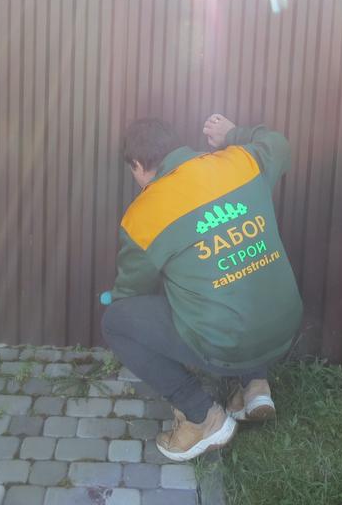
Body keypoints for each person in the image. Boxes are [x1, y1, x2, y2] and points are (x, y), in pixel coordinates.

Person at [101, 113, 303, 461]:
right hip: (284, 327)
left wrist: (119, 296)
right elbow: (280, 145)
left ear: (138, 165)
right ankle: (256, 386)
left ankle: (201, 416)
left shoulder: (144, 214)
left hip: (225, 345)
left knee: (116, 322)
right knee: (238, 274)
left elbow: (131, 292)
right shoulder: (239, 161)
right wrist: (233, 134)